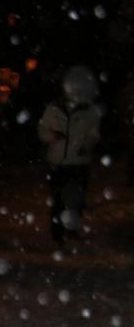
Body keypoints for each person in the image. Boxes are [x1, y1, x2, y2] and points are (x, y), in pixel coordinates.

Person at [37, 66, 104, 246]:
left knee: (76, 200)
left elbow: (94, 134)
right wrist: (52, 136)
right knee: (58, 200)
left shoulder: (88, 111)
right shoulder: (54, 108)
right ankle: (58, 233)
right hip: (57, 162)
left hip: (79, 162)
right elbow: (42, 130)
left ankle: (73, 229)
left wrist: (86, 146)